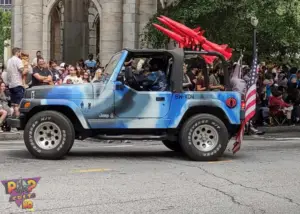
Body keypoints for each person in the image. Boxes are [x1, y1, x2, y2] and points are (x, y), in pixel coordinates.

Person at [6, 47, 28, 118]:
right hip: (17, 84)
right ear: (17, 53)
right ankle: (17, 122)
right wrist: (27, 67)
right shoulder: (18, 60)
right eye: (20, 52)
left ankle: (11, 122)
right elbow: (23, 72)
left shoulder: (9, 60)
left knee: (13, 104)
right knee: (18, 105)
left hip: (11, 85)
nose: (20, 54)